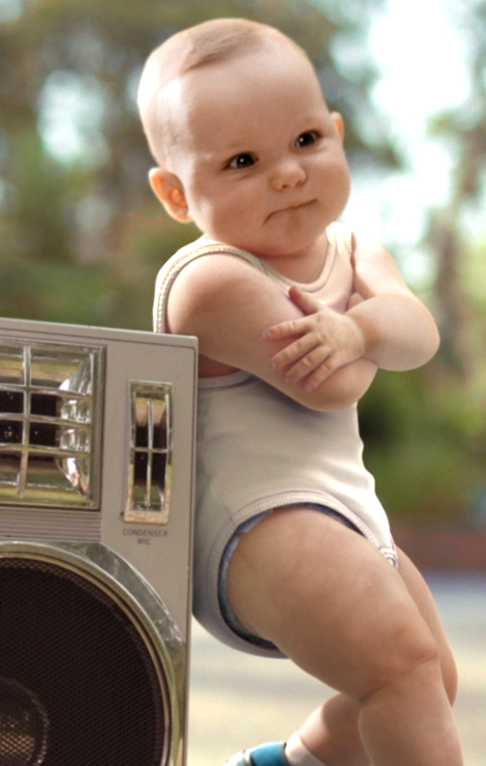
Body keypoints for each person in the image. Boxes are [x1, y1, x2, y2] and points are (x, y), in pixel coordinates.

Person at [137, 18, 462, 766]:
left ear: (337, 131)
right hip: (256, 521)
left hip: (347, 508)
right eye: (244, 160)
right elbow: (333, 382)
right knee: (401, 668)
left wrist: (361, 328)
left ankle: (286, 763)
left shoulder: (354, 247)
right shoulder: (210, 280)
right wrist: (369, 331)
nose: (287, 173)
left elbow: (421, 334)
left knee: (430, 679)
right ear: (177, 194)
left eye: (307, 141)